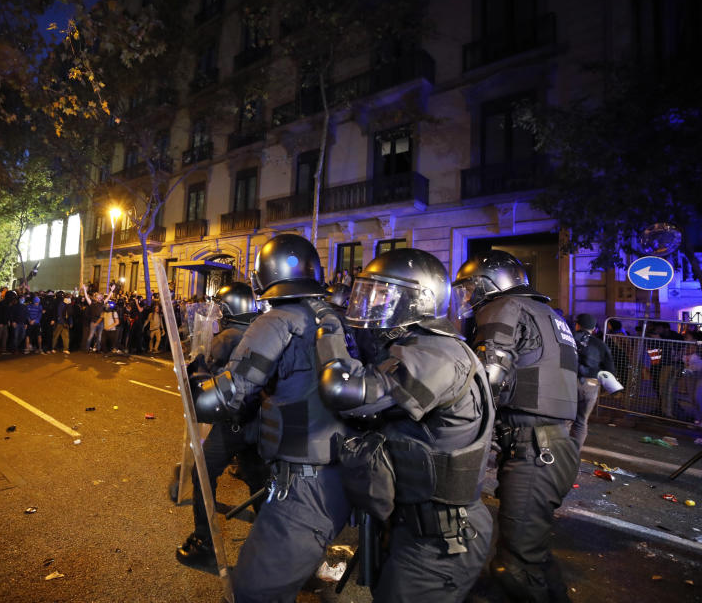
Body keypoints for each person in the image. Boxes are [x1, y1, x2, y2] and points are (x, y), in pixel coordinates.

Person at [315, 248, 495, 602]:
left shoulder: (438, 353)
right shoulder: (414, 346)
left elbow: (346, 392)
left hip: (442, 541)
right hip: (414, 527)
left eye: (383, 293)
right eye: (369, 292)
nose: (370, 302)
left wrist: (328, 331)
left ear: (419, 300)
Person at [194, 234, 350, 602]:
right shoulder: (332, 317)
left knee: (250, 591)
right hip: (340, 475)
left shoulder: (277, 321)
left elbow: (222, 398)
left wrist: (196, 380)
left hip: (302, 482)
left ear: (265, 274)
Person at [452, 250, 579, 603]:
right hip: (552, 446)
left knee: (516, 568)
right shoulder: (550, 315)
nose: (466, 297)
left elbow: (487, 378)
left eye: (470, 287)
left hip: (534, 451)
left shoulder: (503, 306)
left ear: (492, 284)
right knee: (531, 552)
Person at [176, 282, 267, 571]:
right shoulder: (263, 331)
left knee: (202, 472)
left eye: (222, 308)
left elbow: (212, 384)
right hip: (261, 422)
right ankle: (272, 547)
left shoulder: (226, 337)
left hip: (234, 422)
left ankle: (204, 541)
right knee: (258, 481)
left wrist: (197, 370)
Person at [571, 313, 618, 449]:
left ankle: (560, 453)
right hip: (591, 385)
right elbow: (609, 369)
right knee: (581, 421)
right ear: (593, 328)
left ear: (577, 325)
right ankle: (573, 455)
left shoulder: (569, 339)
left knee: (564, 419)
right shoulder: (600, 345)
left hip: (569, 382)